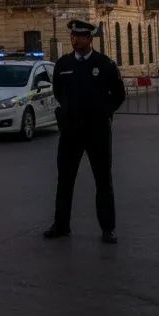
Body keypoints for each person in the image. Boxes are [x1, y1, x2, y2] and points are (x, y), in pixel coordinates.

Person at [44, 18, 126, 245]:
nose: (75, 40)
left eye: (79, 36)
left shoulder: (105, 64)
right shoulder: (63, 64)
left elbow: (118, 95)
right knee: (65, 179)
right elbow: (58, 92)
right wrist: (69, 111)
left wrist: (103, 112)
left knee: (102, 180)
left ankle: (108, 228)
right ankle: (61, 225)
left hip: (97, 131)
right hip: (71, 131)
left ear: (90, 39)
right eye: (72, 36)